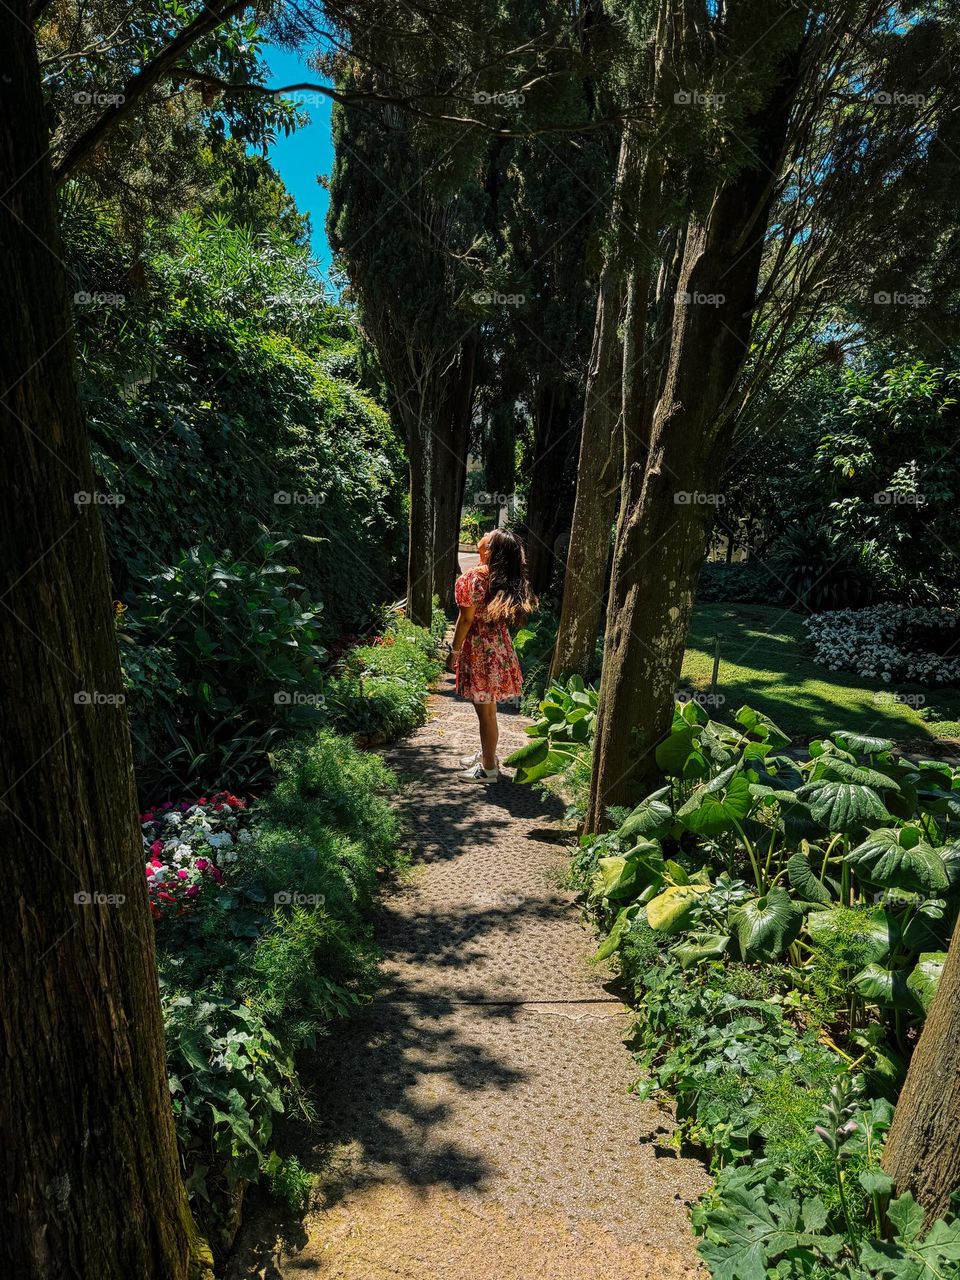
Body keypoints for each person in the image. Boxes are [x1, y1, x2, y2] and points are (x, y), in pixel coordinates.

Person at [447, 528, 538, 781]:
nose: (486, 532)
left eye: (490, 534)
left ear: (489, 549)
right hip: (498, 648)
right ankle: (489, 755)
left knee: (484, 712)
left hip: (480, 650)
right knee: (490, 710)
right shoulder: (498, 576)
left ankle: (488, 769)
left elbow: (465, 619)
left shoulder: (473, 578)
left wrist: (453, 652)